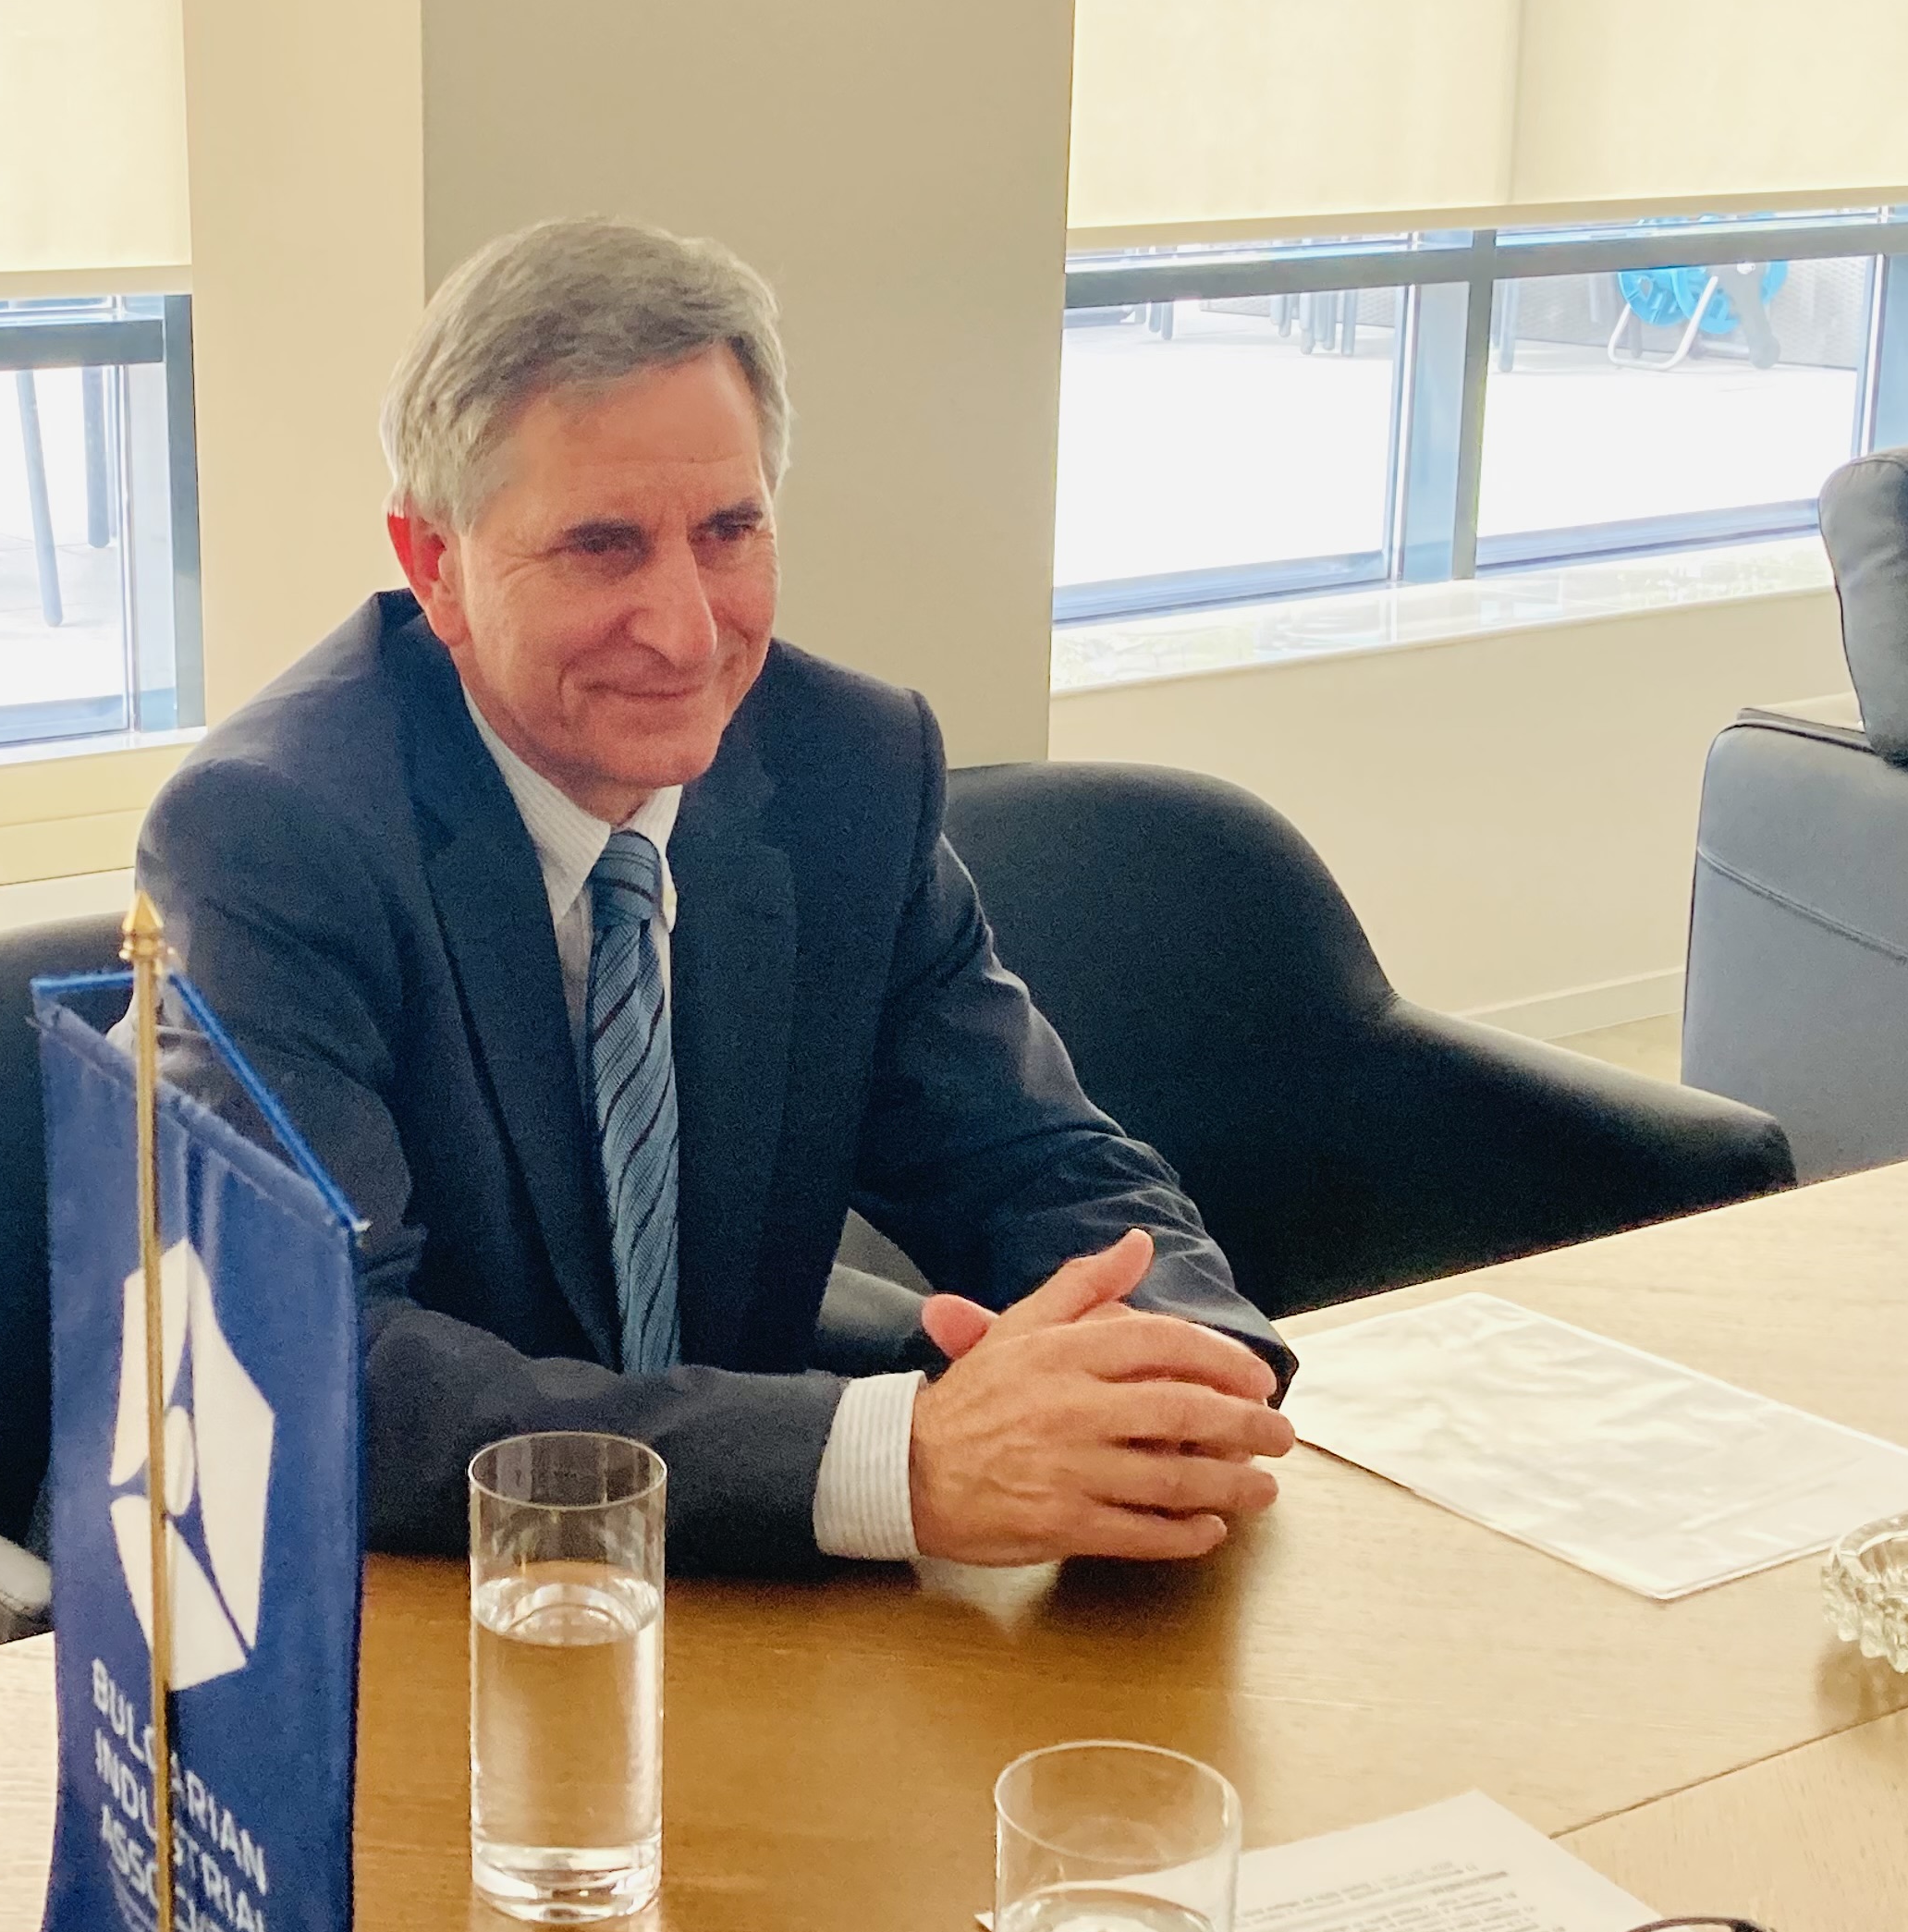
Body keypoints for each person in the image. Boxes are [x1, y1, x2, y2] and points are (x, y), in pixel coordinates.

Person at [137, 214, 1297, 1573]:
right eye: (602, 546)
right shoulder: (269, 837)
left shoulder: (847, 768)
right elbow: (317, 1368)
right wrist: (897, 1463)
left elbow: (1038, 1164)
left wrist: (1173, 1378)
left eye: (730, 530)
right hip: (379, 1602)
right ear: (435, 564)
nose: (688, 631)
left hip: (742, 1594)